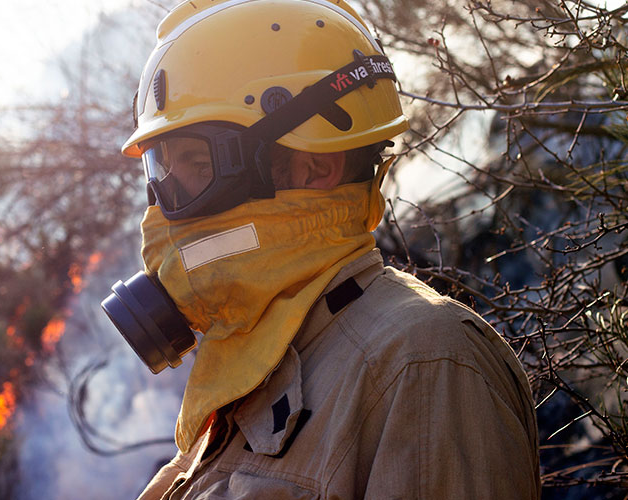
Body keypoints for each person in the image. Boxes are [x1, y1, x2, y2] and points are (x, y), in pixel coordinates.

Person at [101, 0, 541, 498]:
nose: (166, 212)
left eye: (199, 166)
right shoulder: (246, 381)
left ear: (313, 168)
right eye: (163, 173)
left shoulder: (424, 365)